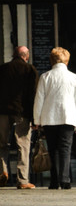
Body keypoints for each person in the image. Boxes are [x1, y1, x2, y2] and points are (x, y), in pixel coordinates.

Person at [33, 47, 76, 190]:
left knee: (53, 149)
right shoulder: (74, 77)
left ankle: (54, 181)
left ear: (52, 60)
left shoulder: (45, 77)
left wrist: (37, 120)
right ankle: (65, 179)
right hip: (68, 117)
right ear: (67, 60)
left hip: (49, 118)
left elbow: (39, 100)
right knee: (65, 149)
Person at [0, 46, 39, 189]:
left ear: (13, 55)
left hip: (2, 111)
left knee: (2, 144)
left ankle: (2, 172)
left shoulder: (3, 69)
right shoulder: (30, 70)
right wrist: (35, 119)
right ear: (26, 56)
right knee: (23, 145)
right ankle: (22, 180)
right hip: (22, 112)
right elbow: (33, 95)